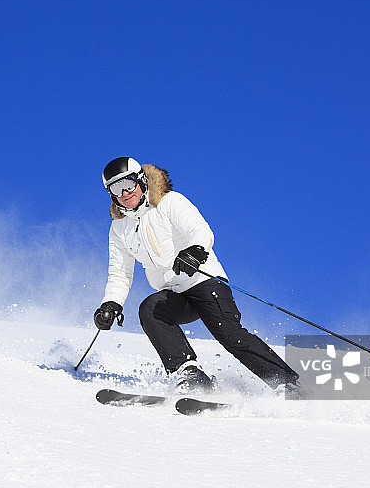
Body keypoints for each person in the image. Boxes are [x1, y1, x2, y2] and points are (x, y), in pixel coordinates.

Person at [93, 156, 301, 395]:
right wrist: (111, 304)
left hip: (204, 281)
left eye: (128, 184)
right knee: (150, 309)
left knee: (229, 335)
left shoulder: (169, 202)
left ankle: (288, 383)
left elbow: (199, 229)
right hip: (175, 294)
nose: (124, 193)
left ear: (141, 180)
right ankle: (190, 373)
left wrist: (195, 251)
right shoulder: (119, 228)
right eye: (116, 189)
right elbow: (120, 273)